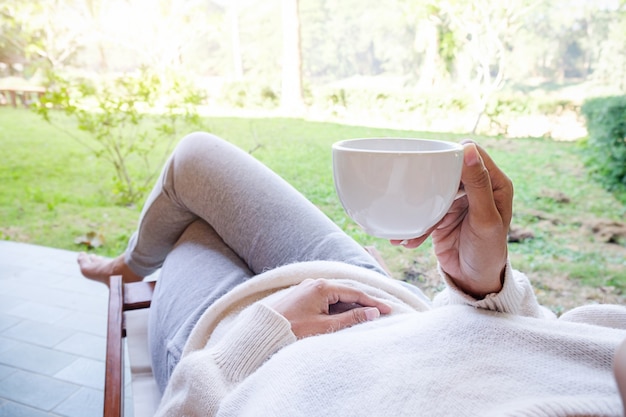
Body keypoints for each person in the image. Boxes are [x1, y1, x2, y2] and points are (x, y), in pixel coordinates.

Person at [78, 132, 626, 416]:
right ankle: (134, 262)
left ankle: (134, 265)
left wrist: (254, 338)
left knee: (193, 231)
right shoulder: (611, 343)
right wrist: (485, 288)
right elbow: (529, 342)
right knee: (195, 161)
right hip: (381, 297)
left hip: (243, 350)